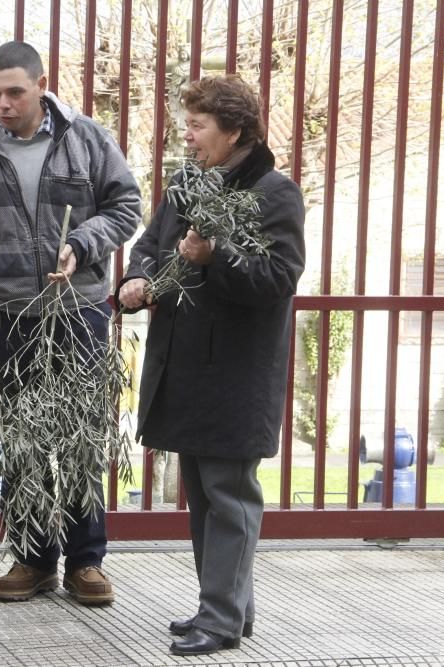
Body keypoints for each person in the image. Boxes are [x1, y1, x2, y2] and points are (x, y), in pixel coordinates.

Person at [0, 40, 141, 605]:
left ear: (42, 85)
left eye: (14, 92)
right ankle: (32, 559)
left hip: (80, 310)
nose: (2, 104)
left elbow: (127, 205)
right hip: (6, 313)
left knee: (82, 432)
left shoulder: (85, 138)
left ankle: (86, 561)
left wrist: (83, 245)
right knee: (19, 435)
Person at [117, 74, 306, 656]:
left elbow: (278, 277)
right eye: (187, 125)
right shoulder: (187, 185)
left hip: (234, 373)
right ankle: (227, 608)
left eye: (198, 126)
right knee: (203, 492)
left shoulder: (276, 193)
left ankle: (219, 620)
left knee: (229, 493)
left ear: (235, 129)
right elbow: (152, 244)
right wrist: (137, 277)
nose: (189, 137)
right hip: (186, 366)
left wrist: (214, 254)